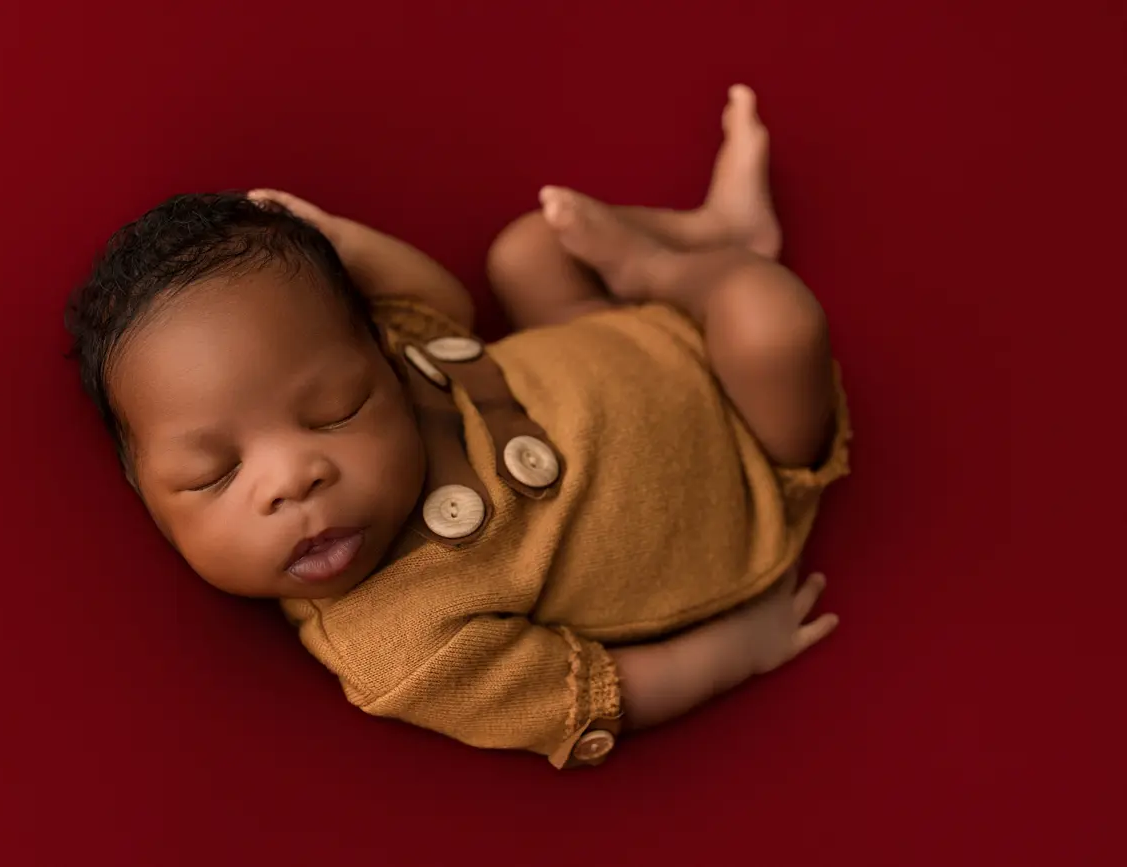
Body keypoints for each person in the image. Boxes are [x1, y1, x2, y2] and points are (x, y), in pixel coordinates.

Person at [64, 84, 852, 768]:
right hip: (741, 458)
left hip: (594, 335)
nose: (293, 477)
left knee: (526, 248)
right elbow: (593, 695)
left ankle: (692, 246)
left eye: (335, 412)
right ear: (147, 497)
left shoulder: (386, 361)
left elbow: (442, 306)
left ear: (373, 350)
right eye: (214, 473)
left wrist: (339, 242)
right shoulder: (403, 645)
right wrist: (742, 651)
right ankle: (701, 266)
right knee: (770, 317)